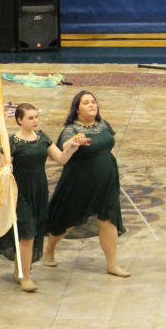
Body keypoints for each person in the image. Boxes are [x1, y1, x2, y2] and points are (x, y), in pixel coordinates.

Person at [0, 103, 87, 292]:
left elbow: (61, 159)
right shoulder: (11, 143)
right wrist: (5, 168)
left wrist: (73, 147)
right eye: (30, 118)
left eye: (36, 117)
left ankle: (19, 271)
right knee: (27, 234)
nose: (35, 121)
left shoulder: (42, 138)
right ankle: (25, 276)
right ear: (19, 120)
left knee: (32, 232)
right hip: (19, 193)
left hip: (39, 191)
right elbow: (2, 170)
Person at [43, 91, 131, 277]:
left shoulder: (104, 125)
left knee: (108, 221)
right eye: (86, 103)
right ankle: (49, 248)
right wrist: (74, 142)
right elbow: (63, 147)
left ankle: (112, 264)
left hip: (106, 183)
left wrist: (112, 171)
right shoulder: (71, 130)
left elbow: (110, 147)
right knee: (68, 220)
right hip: (80, 184)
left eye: (93, 101)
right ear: (77, 109)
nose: (92, 105)